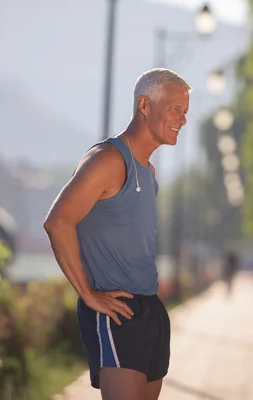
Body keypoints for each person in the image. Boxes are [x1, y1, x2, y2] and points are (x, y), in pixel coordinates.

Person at [44, 68, 190, 400]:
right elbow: (58, 222)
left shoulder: (148, 172)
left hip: (150, 311)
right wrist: (89, 294)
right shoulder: (108, 160)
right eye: (174, 109)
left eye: (185, 112)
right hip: (117, 312)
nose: (181, 120)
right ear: (144, 105)